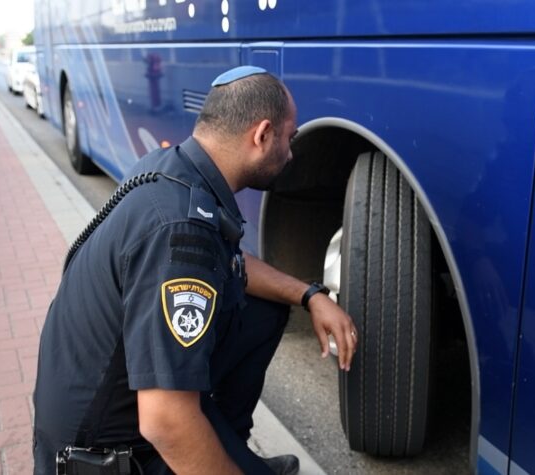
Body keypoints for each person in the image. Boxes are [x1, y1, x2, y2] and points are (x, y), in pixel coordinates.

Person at [33, 66, 358, 475]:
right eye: (289, 138)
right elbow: (165, 420)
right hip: (103, 457)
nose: (292, 153)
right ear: (261, 135)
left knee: (262, 310)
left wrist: (309, 296)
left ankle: (229, 444)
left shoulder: (174, 168)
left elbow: (231, 263)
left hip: (104, 415)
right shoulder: (179, 232)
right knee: (186, 427)